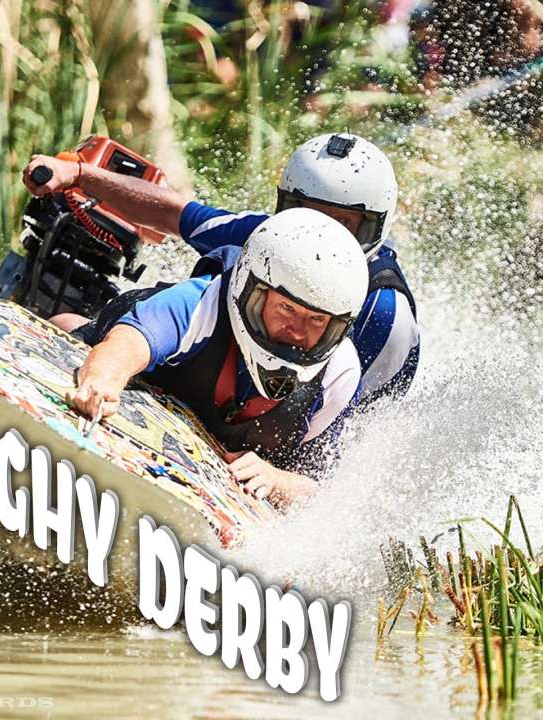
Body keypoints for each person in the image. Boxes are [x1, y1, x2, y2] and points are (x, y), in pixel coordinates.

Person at [23, 131, 420, 408]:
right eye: (306, 211)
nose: (318, 233)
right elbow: (176, 214)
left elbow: (353, 432)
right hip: (213, 386)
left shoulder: (385, 315)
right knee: (65, 322)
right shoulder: (271, 238)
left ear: (373, 226)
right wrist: (79, 175)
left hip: (276, 434)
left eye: (342, 223)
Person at [39, 209, 369, 511]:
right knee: (67, 329)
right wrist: (102, 381)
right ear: (253, 291)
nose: (297, 331)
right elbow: (128, 343)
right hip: (136, 359)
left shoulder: (339, 374)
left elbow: (322, 488)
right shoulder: (201, 302)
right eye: (287, 309)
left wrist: (278, 480)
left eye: (316, 321)